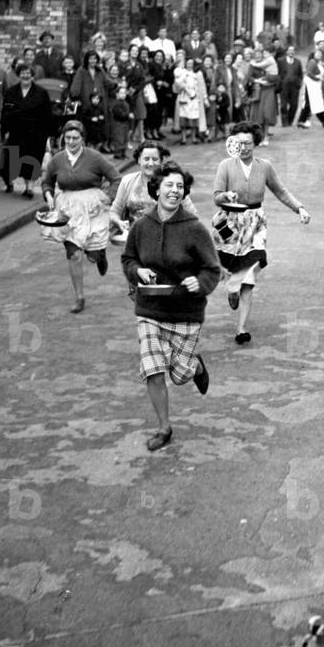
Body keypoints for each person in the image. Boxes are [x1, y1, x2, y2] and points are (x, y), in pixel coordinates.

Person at [121, 162, 219, 452]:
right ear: (157, 189)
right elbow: (128, 259)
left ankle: (195, 364)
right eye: (169, 185)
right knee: (152, 369)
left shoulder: (194, 228)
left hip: (185, 312)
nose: (174, 191)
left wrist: (198, 283)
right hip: (149, 308)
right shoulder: (141, 227)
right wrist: (137, 271)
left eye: (179, 187)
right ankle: (164, 428)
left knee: (178, 376)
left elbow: (212, 270)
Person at [212, 122, 311, 344]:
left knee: (249, 274)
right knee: (232, 269)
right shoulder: (226, 166)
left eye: (247, 143)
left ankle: (241, 329)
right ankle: (232, 288)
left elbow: (280, 191)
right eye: (238, 143)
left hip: (256, 223)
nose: (243, 147)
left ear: (255, 142)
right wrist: (226, 196)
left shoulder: (264, 166)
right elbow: (216, 195)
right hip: (229, 223)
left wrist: (300, 208)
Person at [40, 120, 122, 313]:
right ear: (63, 138)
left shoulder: (95, 157)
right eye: (67, 138)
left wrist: (107, 197)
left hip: (93, 206)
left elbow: (116, 178)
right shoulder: (57, 159)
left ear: (82, 138)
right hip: (69, 209)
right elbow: (47, 182)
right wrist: (49, 195)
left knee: (91, 255)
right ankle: (79, 298)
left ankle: (98, 254)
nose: (71, 141)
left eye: (75, 138)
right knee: (74, 254)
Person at [0, 63, 54, 197]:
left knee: (31, 160)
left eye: (28, 73)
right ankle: (9, 183)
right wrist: (4, 129)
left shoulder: (41, 92)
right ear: (19, 75)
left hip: (35, 133)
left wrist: (48, 135)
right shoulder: (11, 92)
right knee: (12, 160)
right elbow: (5, 112)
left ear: (32, 75)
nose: (25, 75)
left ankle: (29, 187)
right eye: (23, 73)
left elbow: (47, 114)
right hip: (15, 132)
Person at [297, 47, 324, 129]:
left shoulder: (318, 63)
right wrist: (318, 78)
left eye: (320, 54)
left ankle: (301, 121)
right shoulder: (312, 62)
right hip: (311, 85)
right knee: (313, 103)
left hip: (315, 86)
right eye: (317, 53)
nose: (318, 55)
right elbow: (309, 73)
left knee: (310, 104)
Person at [277, 45, 303, 127]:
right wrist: (280, 83)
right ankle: (284, 123)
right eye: (289, 50)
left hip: (294, 87)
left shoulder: (298, 62)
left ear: (294, 52)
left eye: (293, 50)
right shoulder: (280, 61)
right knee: (283, 105)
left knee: (294, 105)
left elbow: (300, 74)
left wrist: (299, 83)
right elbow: (278, 73)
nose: (291, 52)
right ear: (286, 52)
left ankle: (290, 121)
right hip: (284, 86)